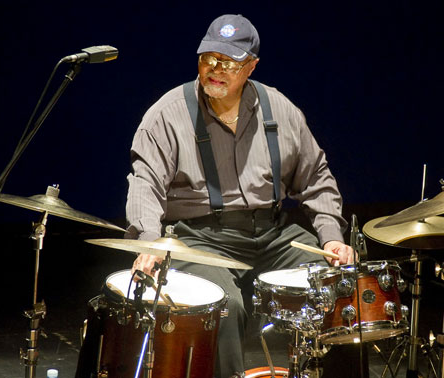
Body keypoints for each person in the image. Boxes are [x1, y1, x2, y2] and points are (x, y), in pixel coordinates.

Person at [126, 14, 355, 378]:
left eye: (229, 63)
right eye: (209, 58)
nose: (215, 70)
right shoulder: (166, 115)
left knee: (337, 288)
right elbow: (145, 182)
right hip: (201, 237)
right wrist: (149, 242)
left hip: (273, 233)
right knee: (224, 305)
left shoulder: (279, 108)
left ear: (251, 67)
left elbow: (316, 177)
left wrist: (332, 238)